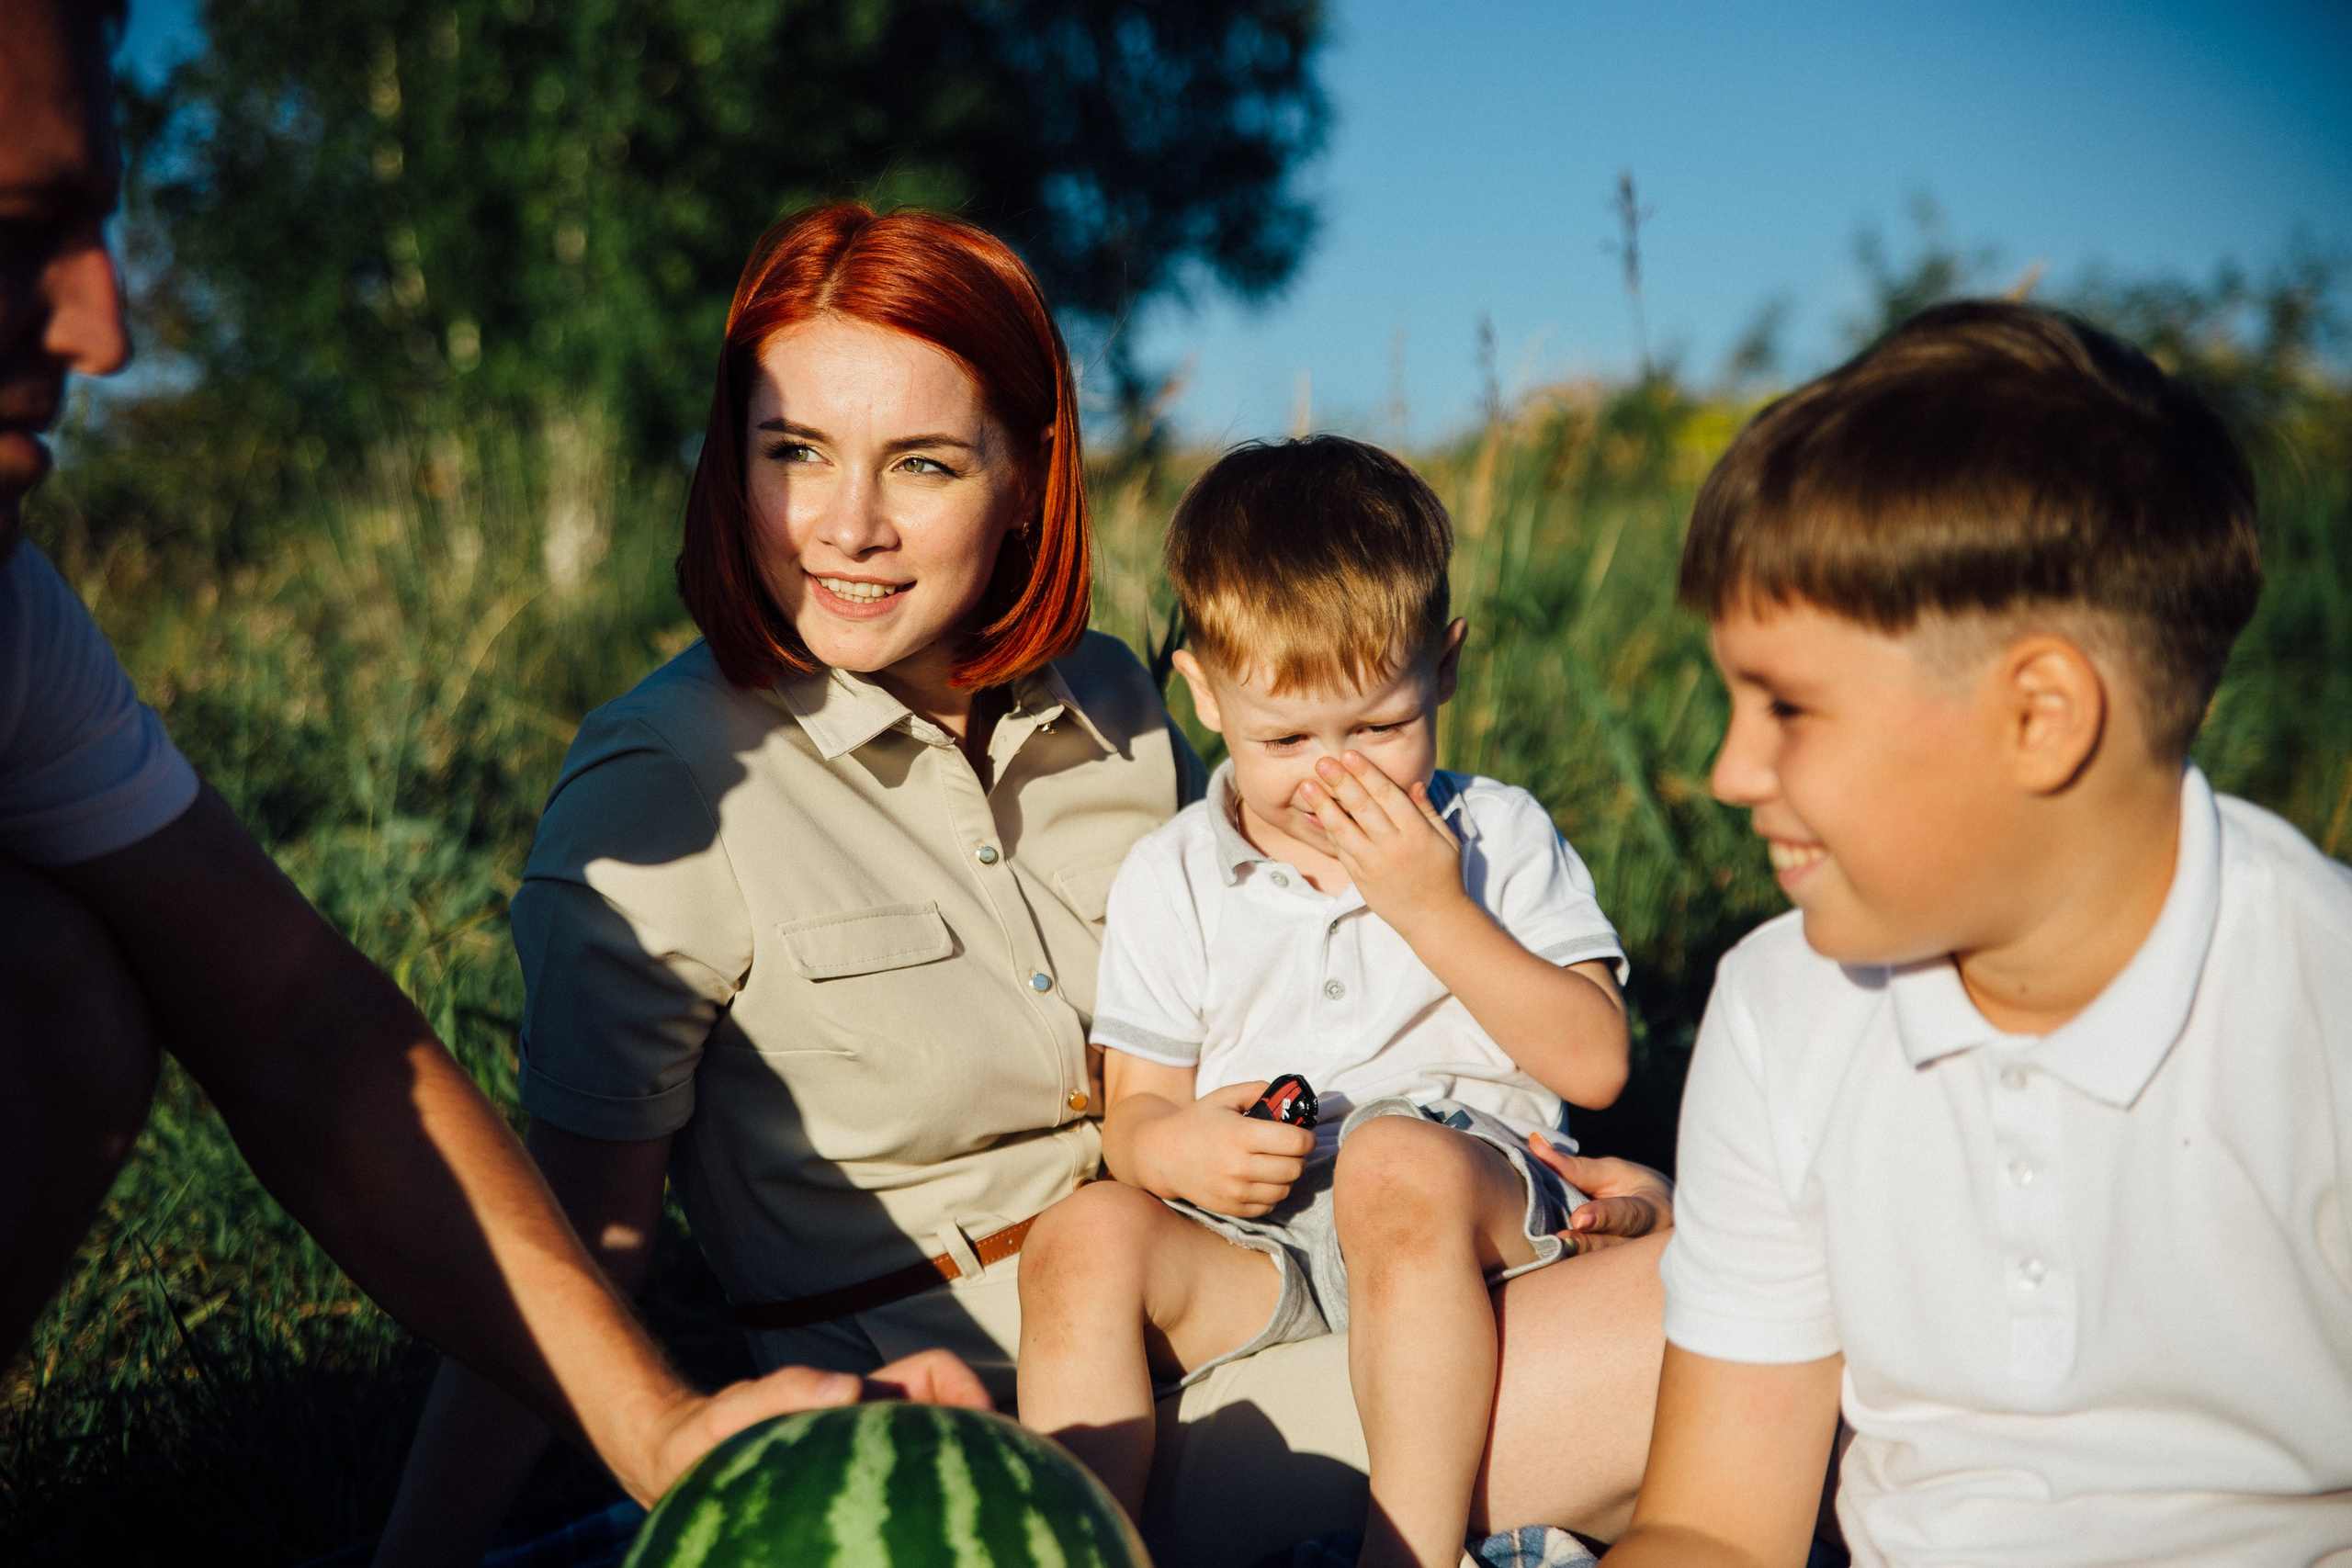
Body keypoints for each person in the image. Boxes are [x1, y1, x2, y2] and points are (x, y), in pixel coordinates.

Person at [382, 205, 1679, 1568]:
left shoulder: (1113, 700)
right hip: (991, 1425)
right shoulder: (668, 781)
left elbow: (1272, 986)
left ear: (1025, 479)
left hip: (1256, 1272)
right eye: (795, 453)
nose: (849, 526)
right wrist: (416, 1559)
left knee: (1733, 1279)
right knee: (1735, 1323)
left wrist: (1552, 1178)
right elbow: (576, 1240)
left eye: (924, 463)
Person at [0, 0, 987, 1520]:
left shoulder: (11, 624)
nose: (105, 329)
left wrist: (661, 1431)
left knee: (46, 982)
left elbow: (303, 1031)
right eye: (20, 228)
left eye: (924, 459)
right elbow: (600, 1171)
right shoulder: (667, 768)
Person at [1601, 301, 2352, 1566]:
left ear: (2042, 715)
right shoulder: (1785, 1003)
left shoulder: (2318, 998)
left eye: (1788, 705)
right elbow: (1715, 1522)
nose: (1730, 769)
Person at [1017, 436, 1634, 1568]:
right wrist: (1175, 1153)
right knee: (1083, 1238)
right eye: (1286, 738)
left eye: (1380, 729)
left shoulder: (1496, 834)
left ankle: (1408, 1555)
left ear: (1444, 668)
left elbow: (1595, 1063)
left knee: (1392, 1160)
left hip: (1465, 1191)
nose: (1334, 776)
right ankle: (1076, 1551)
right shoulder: (1175, 872)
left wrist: (1432, 907)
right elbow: (1134, 1116)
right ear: (1203, 694)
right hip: (1265, 1237)